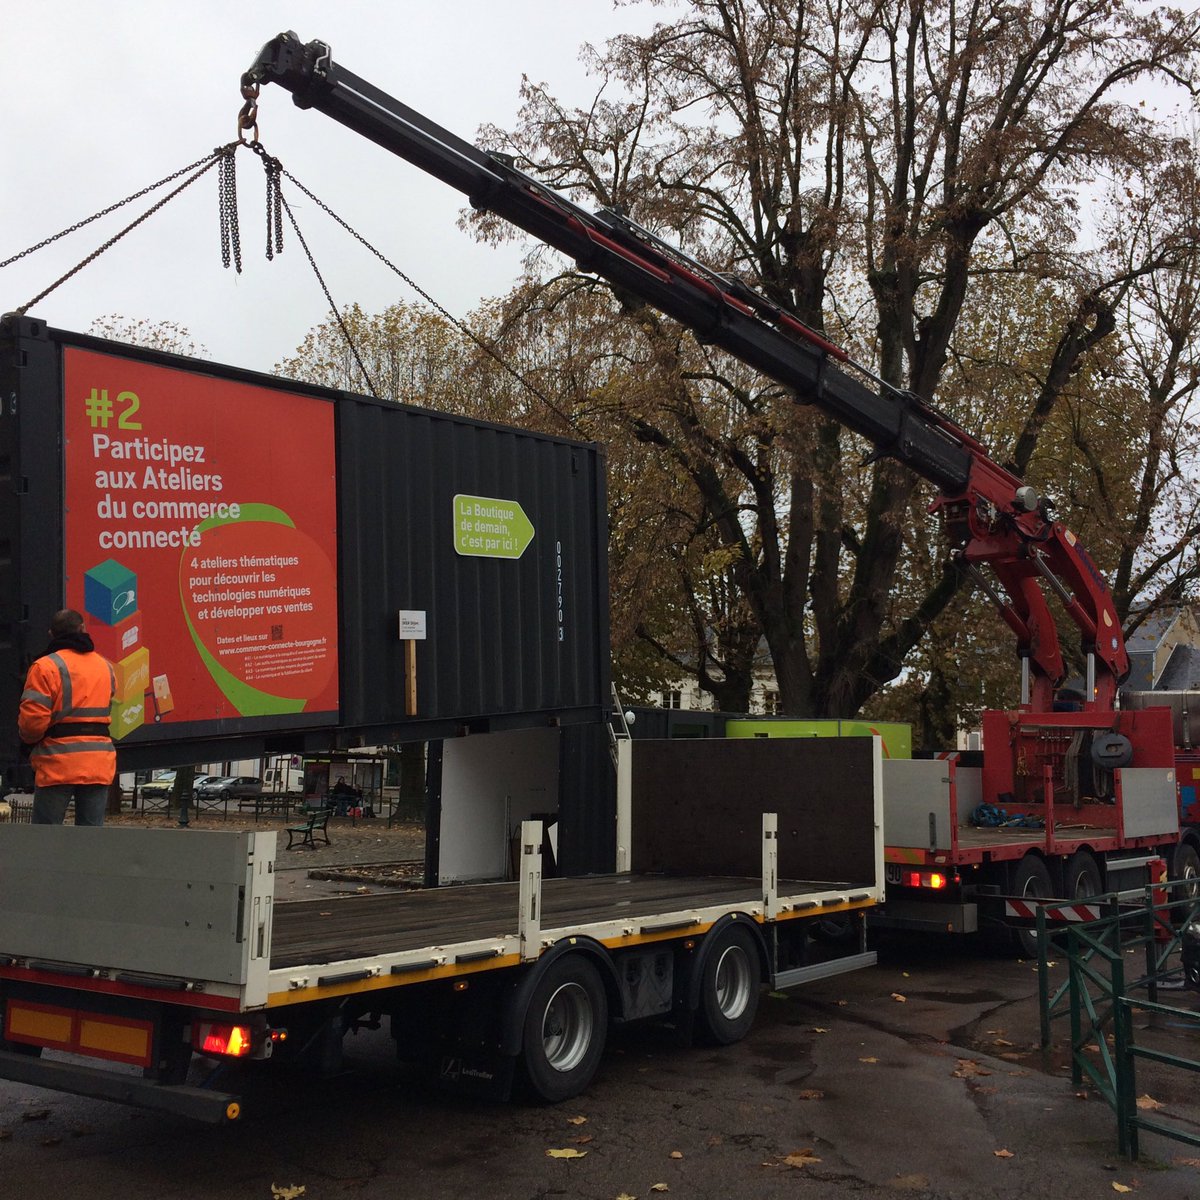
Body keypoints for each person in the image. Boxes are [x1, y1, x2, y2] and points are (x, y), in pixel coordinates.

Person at [18, 609, 116, 826]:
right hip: (98, 764)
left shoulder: (45, 667)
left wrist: (27, 743)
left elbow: (32, 723)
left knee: (46, 841)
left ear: (51, 634)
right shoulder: (105, 666)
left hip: (57, 764)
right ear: (82, 629)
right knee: (89, 843)